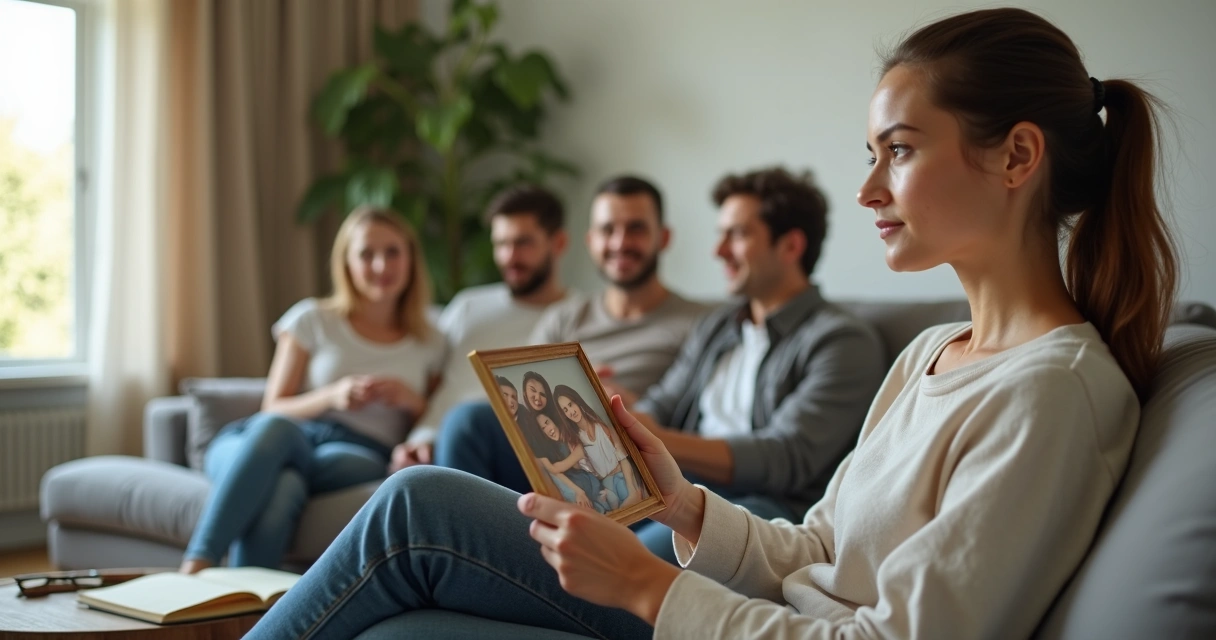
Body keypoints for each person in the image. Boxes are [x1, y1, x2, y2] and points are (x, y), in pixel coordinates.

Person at [246, 7, 1178, 638]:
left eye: (898, 151)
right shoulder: (937, 351)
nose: (867, 189)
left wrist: (651, 586)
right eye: (871, 155)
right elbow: (816, 548)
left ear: (1017, 156)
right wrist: (676, 496)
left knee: (414, 506)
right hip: (729, 610)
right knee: (409, 621)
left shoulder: (1052, 394)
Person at [179, 207, 446, 573]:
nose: (381, 266)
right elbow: (273, 407)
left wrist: (410, 399)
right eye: (367, 254)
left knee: (288, 481)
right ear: (347, 263)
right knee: (280, 449)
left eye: (393, 252)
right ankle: (202, 566)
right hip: (264, 438)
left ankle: (224, 595)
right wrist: (332, 396)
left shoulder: (430, 341)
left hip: (355, 451)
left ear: (411, 259)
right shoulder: (312, 319)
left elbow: (436, 415)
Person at [432, 176, 710, 485]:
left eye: (636, 228)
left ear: (664, 237)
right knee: (466, 421)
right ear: (591, 241)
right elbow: (522, 402)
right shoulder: (564, 317)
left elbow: (698, 414)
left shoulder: (700, 322)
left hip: (635, 457)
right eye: (608, 230)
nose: (620, 242)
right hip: (553, 446)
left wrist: (623, 407)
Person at [389, 185, 576, 470]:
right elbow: (437, 388)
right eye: (500, 244)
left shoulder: (578, 317)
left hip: (516, 457)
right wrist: (420, 440)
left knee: (467, 420)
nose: (509, 257)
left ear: (559, 243)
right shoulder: (469, 306)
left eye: (523, 243)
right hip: (439, 446)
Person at [554, 384, 645, 510]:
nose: (571, 412)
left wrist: (631, 487)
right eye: (565, 410)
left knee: (632, 498)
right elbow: (574, 469)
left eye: (571, 405)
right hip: (605, 485)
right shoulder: (575, 441)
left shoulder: (600, 426)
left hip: (622, 475)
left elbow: (622, 457)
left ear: (577, 402)